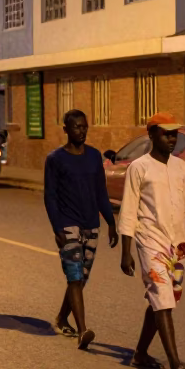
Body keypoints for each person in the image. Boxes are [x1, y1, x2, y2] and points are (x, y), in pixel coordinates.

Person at [118, 112, 185, 369]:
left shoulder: (180, 167)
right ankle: (175, 365)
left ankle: (140, 353)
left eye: (174, 134)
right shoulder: (139, 167)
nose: (172, 138)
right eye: (166, 133)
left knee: (164, 298)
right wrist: (126, 250)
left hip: (177, 244)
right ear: (151, 135)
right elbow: (128, 210)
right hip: (149, 240)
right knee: (162, 297)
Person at [44, 109, 118, 350]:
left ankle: (62, 318)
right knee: (74, 276)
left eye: (85, 126)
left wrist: (111, 223)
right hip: (68, 224)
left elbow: (101, 192)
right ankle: (83, 330)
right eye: (76, 127)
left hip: (91, 224)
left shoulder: (95, 156)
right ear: (66, 129)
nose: (82, 131)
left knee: (81, 278)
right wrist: (57, 227)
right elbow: (50, 197)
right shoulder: (55, 159)